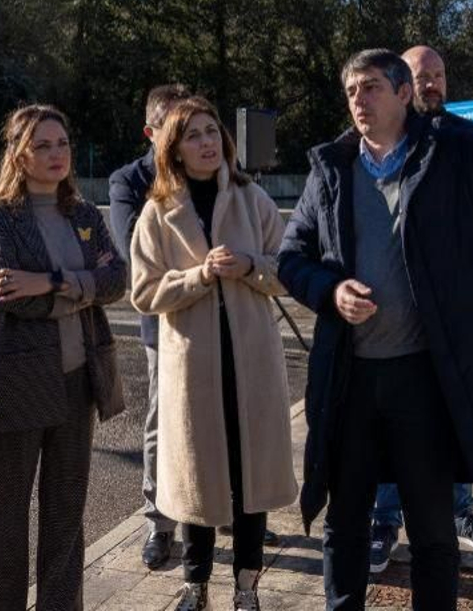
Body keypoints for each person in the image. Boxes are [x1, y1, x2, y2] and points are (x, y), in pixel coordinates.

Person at [277, 0, 473, 611]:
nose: (359, 100)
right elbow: (291, 258)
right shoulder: (330, 171)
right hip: (352, 381)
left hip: (423, 379)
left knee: (433, 529)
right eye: (351, 90)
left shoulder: (450, 150)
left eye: (373, 87)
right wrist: (330, 293)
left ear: (405, 92)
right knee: (345, 524)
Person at [131, 96, 297, 611]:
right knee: (197, 481)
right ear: (173, 149)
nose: (205, 142)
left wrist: (249, 264)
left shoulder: (252, 199)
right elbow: (143, 292)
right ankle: (195, 583)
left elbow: (287, 269)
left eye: (210, 131)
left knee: (251, 480)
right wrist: (197, 277)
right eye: (192, 135)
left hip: (252, 365)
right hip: (193, 369)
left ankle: (247, 587)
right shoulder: (158, 211)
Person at [0, 104, 127, 611]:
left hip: (78, 382)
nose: (56, 154)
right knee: (6, 518)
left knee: (65, 518)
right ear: (19, 155)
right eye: (42, 145)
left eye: (62, 144)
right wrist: (79, 287)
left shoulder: (82, 214)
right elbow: (14, 294)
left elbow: (116, 281)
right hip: (17, 384)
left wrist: (54, 281)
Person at [365, 46, 473, 573]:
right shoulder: (382, 144)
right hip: (395, 315)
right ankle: (382, 519)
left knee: (456, 408)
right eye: (420, 76)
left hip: (458, 313)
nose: (431, 84)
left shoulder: (468, 140)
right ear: (401, 86)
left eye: (438, 76)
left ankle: (458, 512)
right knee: (389, 416)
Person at [108, 83, 191, 569]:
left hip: (215, 319)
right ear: (151, 131)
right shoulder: (128, 181)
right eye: (174, 127)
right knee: (164, 421)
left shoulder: (213, 170)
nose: (185, 136)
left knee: (219, 418)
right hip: (162, 321)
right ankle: (159, 522)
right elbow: (134, 252)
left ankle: (222, 509)